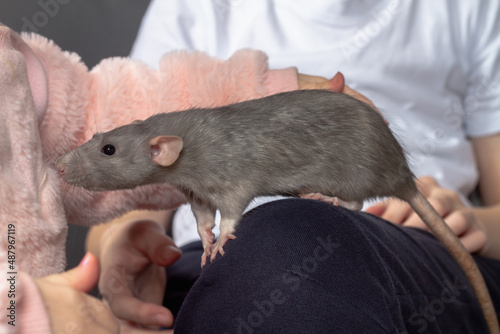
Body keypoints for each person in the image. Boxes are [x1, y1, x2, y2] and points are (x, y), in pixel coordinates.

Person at [87, 0, 500, 333]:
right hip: (203, 268)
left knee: (286, 236)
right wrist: (119, 246)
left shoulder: (468, 9)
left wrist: (472, 221)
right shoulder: (195, 9)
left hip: (415, 256)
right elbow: (129, 195)